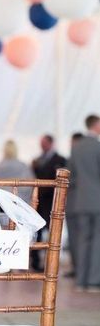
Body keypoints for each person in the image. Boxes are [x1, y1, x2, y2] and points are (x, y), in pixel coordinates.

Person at [68, 115, 100, 292]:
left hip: (80, 201)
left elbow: (70, 176)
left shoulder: (76, 148)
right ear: (96, 125)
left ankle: (81, 280)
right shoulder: (98, 147)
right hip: (97, 201)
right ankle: (94, 281)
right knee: (97, 241)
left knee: (82, 240)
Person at [31, 134, 67, 271]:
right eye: (41, 143)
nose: (42, 146)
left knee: (53, 232)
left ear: (51, 143)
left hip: (53, 202)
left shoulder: (61, 160)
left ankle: (52, 262)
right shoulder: (37, 160)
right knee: (37, 231)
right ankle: (36, 261)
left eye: (44, 143)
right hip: (39, 202)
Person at [65, 132, 84, 277]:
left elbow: (71, 181)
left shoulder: (73, 159)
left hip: (74, 204)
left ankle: (79, 269)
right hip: (77, 205)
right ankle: (79, 269)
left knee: (77, 239)